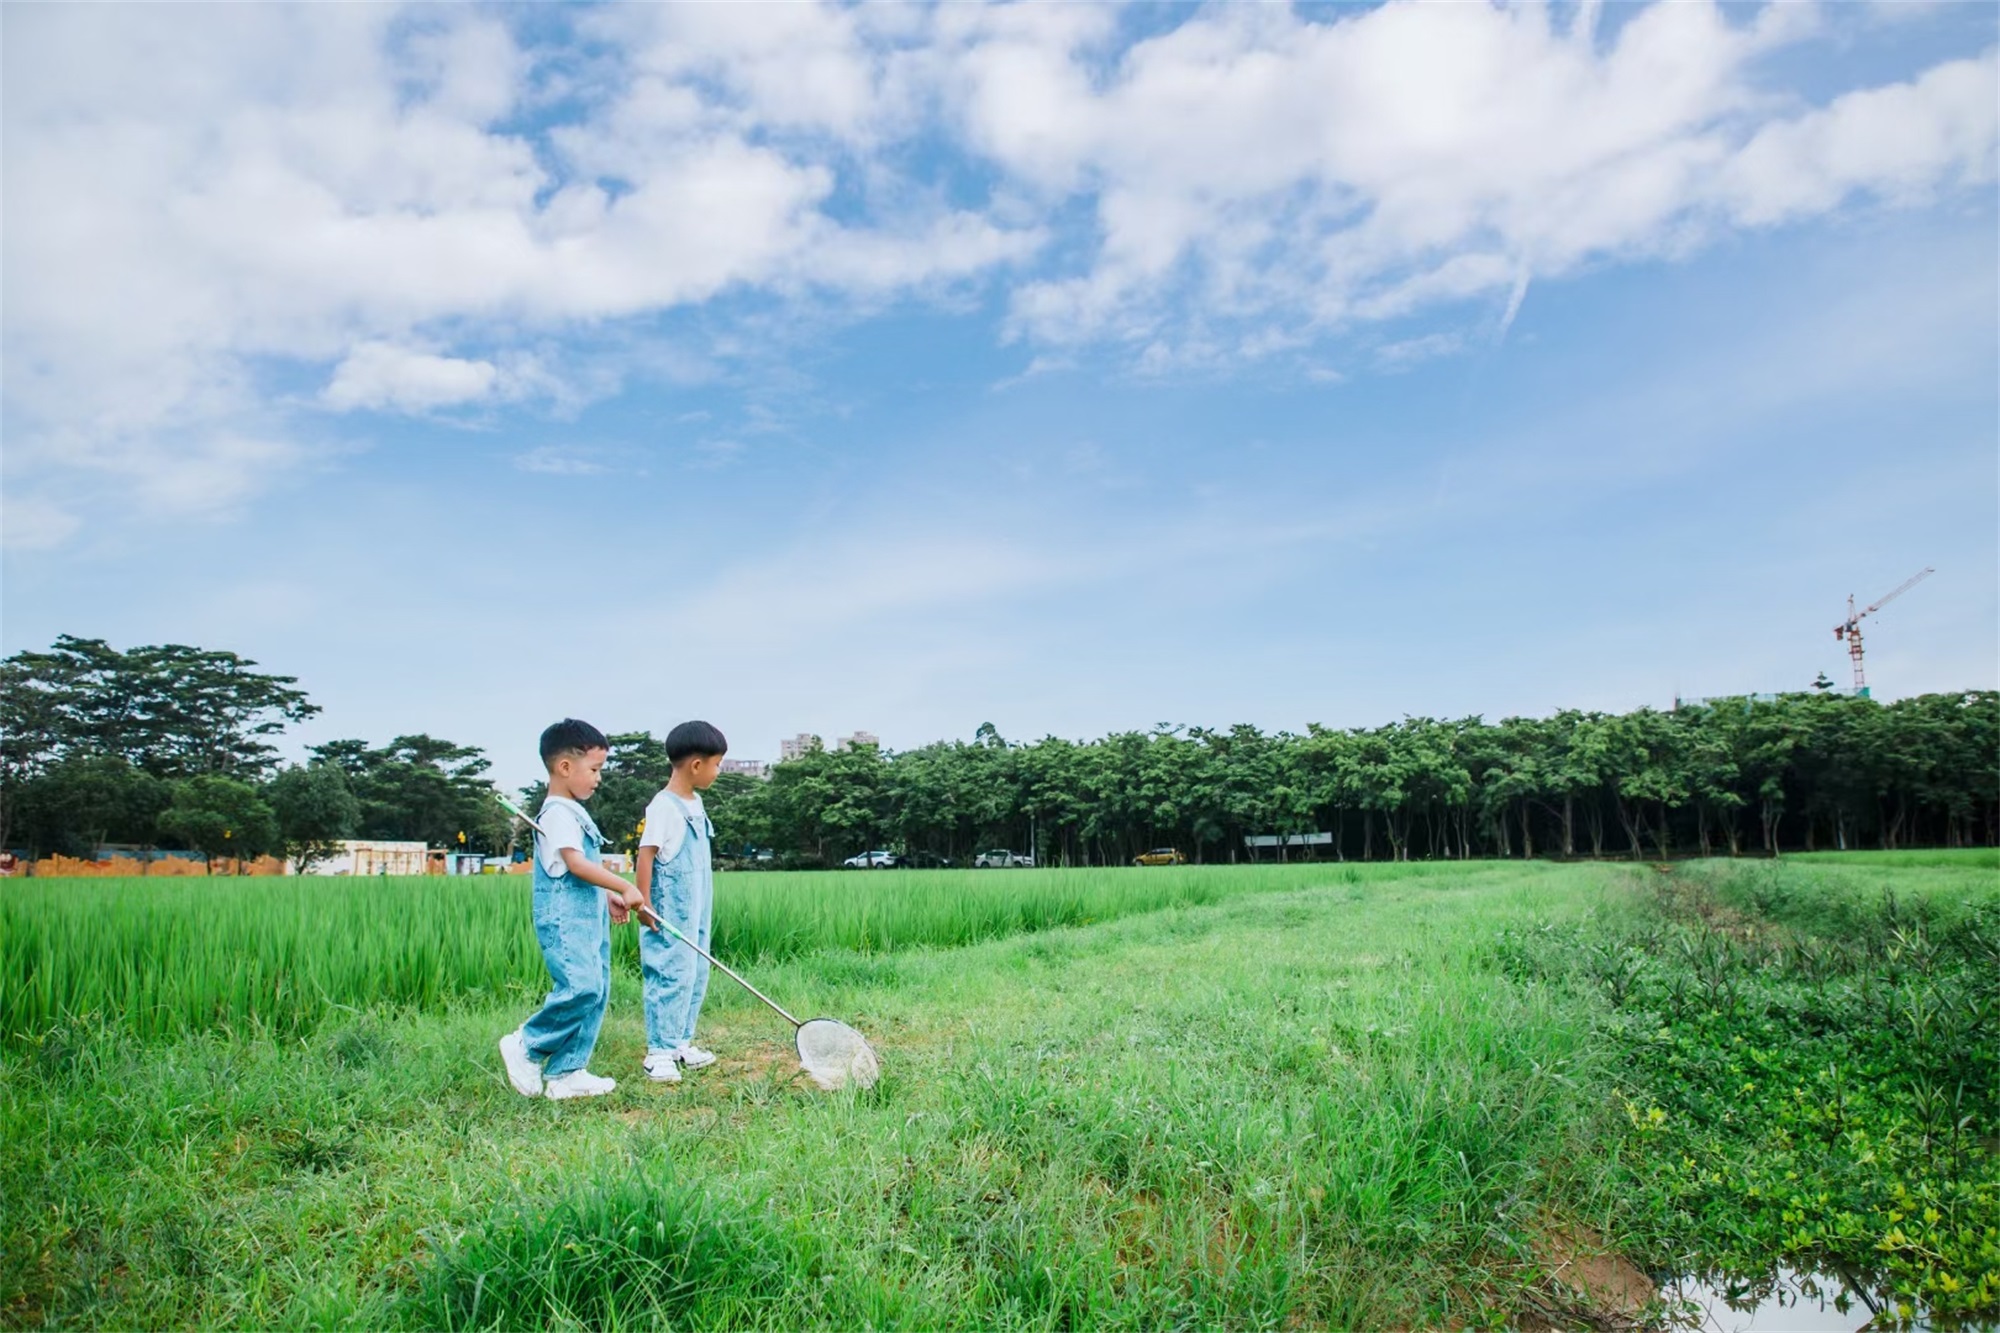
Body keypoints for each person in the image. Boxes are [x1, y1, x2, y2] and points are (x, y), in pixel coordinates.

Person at [498, 719, 645, 1100]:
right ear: (565, 767)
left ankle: (567, 1072)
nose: (598, 779)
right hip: (565, 920)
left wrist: (606, 895)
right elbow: (575, 864)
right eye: (594, 770)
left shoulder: (573, 811)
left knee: (596, 990)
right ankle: (527, 1045)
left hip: (588, 916)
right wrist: (623, 885)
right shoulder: (558, 812)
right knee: (581, 987)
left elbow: (578, 869)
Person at [634, 720, 727, 1083]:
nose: (718, 772)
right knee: (670, 972)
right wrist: (642, 902)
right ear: (696, 765)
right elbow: (646, 854)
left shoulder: (695, 802)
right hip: (669, 907)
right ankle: (658, 1050)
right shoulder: (663, 806)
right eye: (717, 764)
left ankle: (680, 1043)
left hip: (697, 904)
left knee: (695, 970)